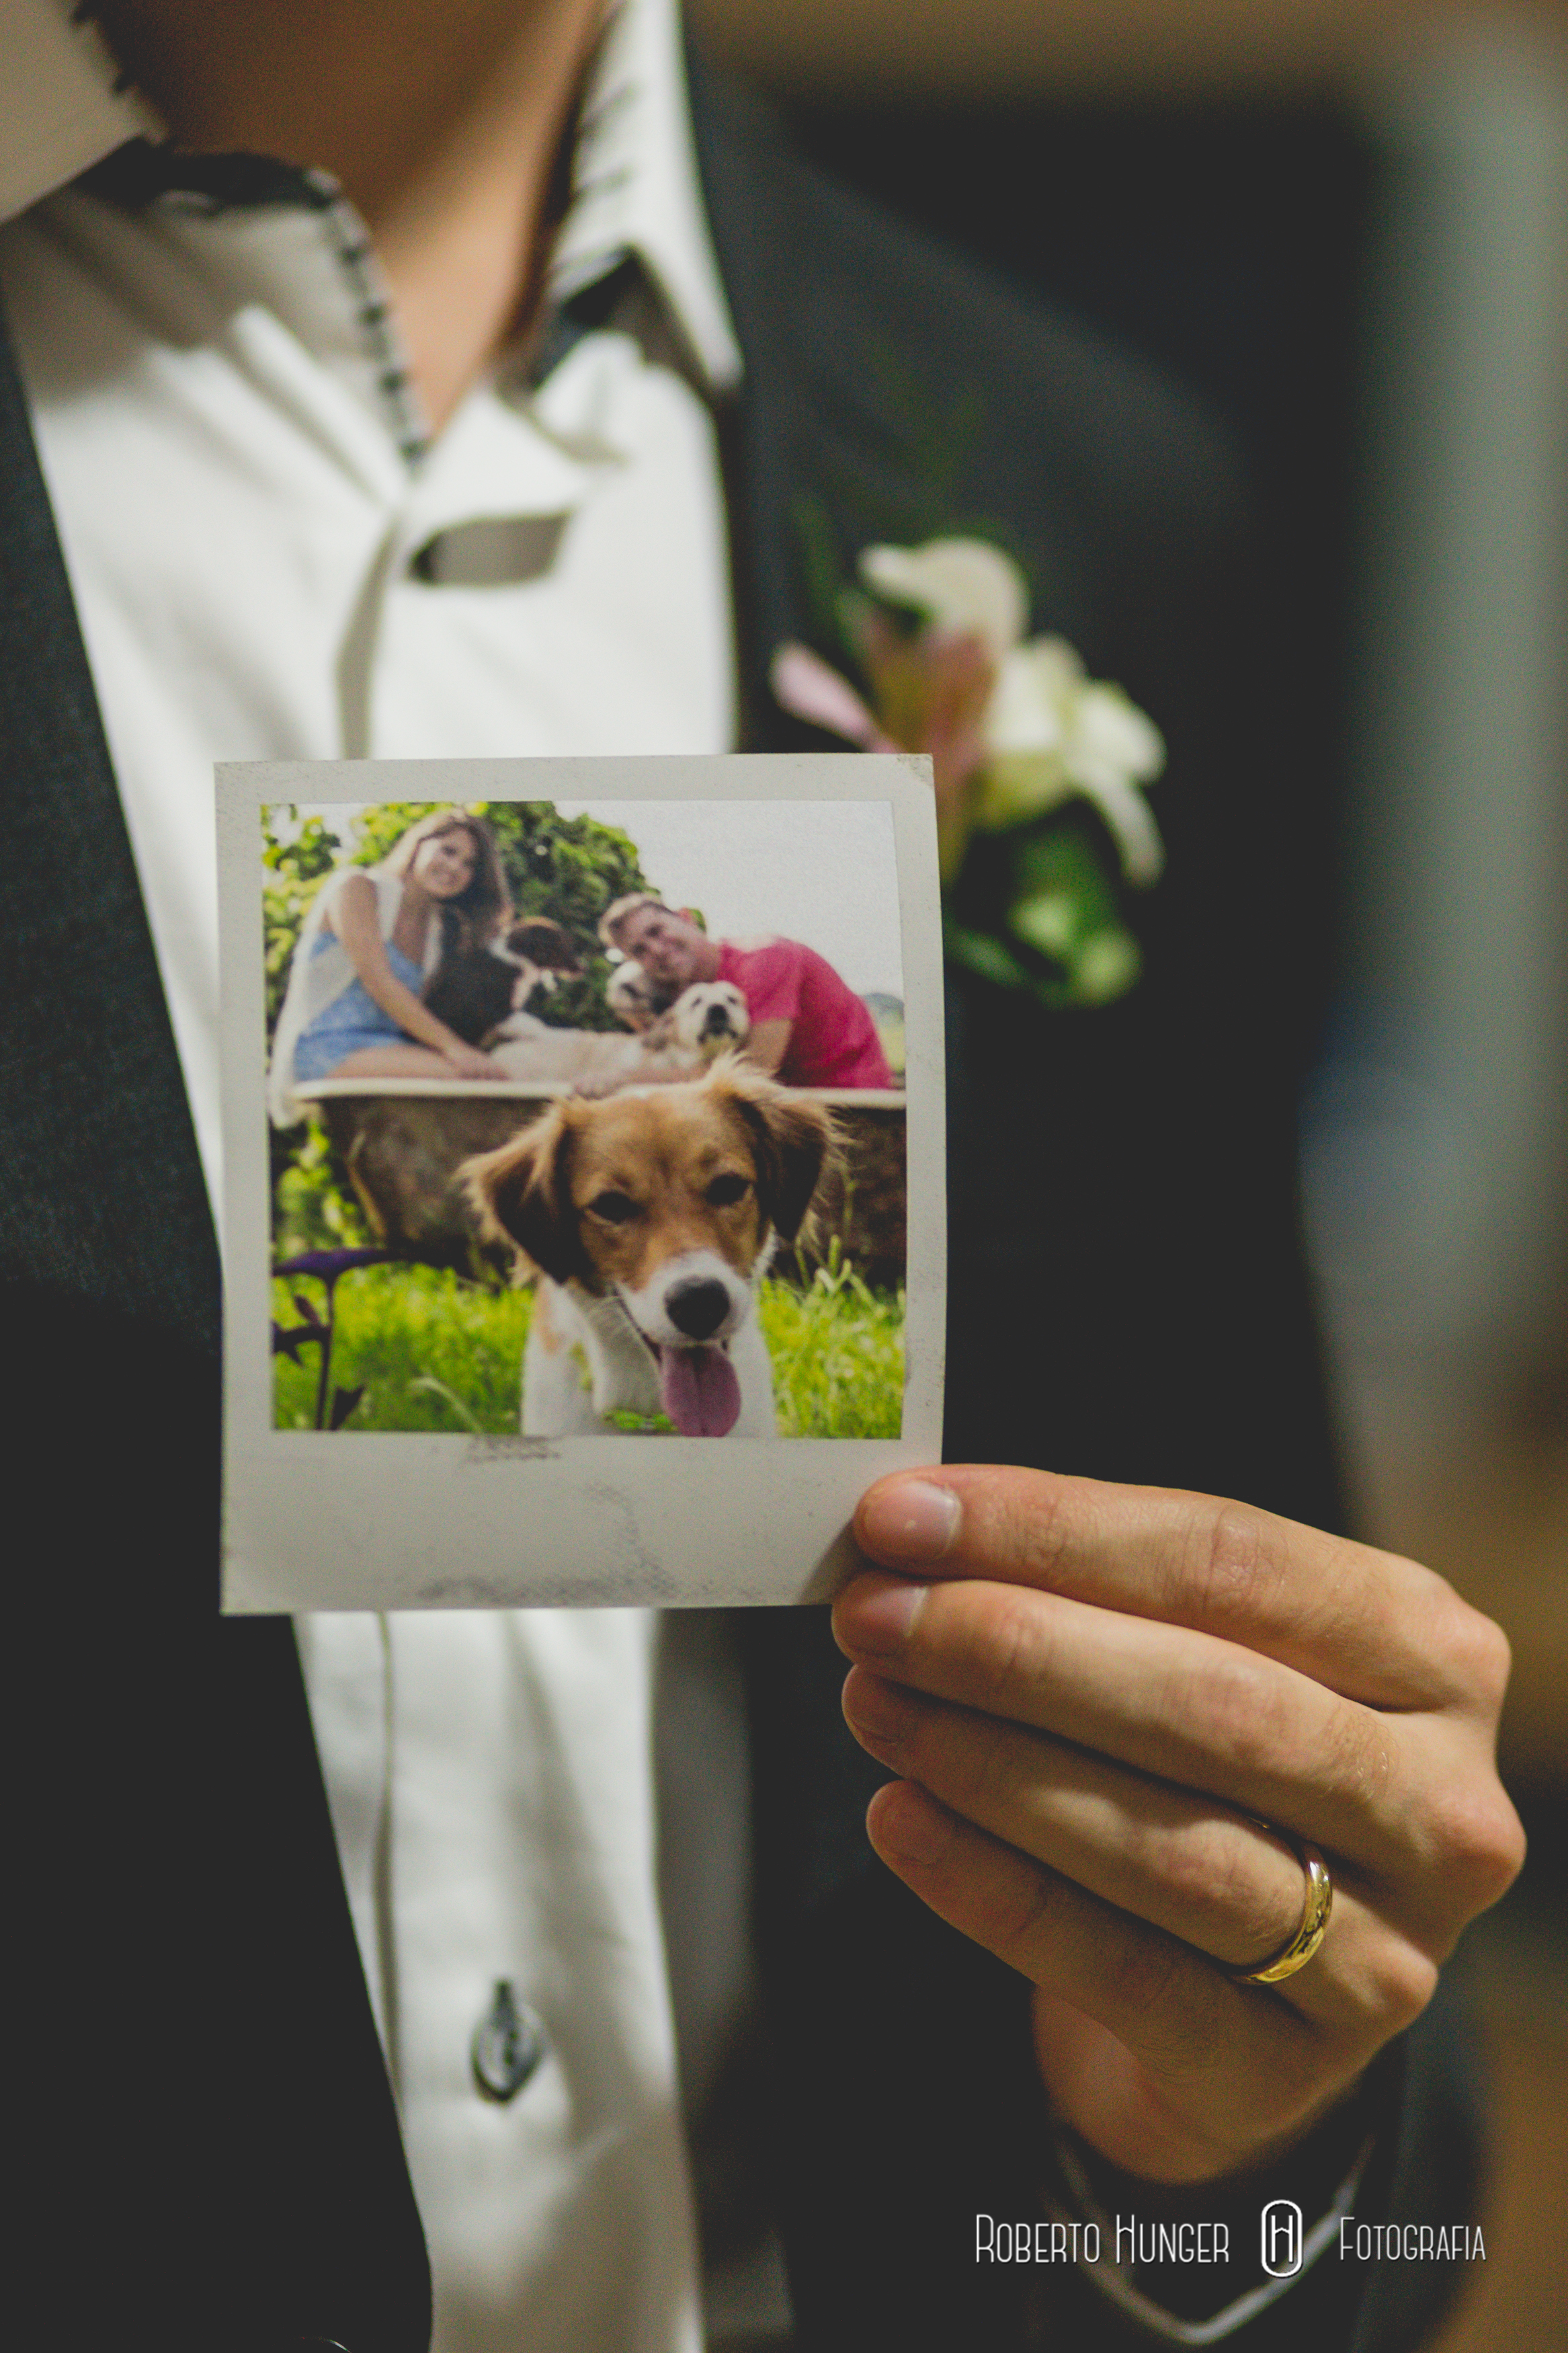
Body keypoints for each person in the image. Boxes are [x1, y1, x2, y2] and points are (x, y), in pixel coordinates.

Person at [0, 4, 1520, 2352]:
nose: (688, 1267)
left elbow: (1315, 2187)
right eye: (634, 1222)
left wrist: (1237, 2135)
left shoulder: (1091, 493)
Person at [270, 809, 513, 1121]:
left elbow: (423, 1011)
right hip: (324, 1044)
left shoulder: (438, 932)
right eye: (449, 851)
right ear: (418, 844)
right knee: (468, 1081)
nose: (454, 867)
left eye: (469, 865)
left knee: (499, 1077)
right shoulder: (356, 887)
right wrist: (456, 1050)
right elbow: (379, 981)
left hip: (386, 1048)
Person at [602, 892, 895, 1088]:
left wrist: (628, 1081)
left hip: (856, 1106)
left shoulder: (765, 959)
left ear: (685, 917)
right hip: (793, 1104)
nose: (656, 950)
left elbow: (751, 1076)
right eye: (640, 951)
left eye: (656, 931)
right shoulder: (693, 997)